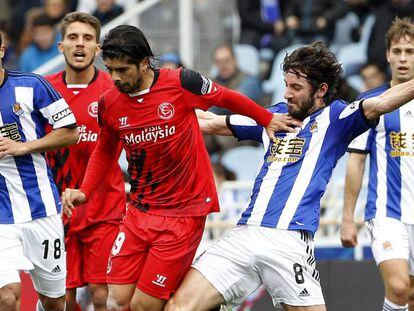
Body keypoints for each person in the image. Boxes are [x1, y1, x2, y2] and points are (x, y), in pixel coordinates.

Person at [60, 25, 298, 311]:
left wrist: (266, 119)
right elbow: (106, 150)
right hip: (138, 211)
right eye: (110, 69)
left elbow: (226, 97)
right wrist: (85, 191)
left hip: (183, 214)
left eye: (122, 70)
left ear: (144, 63)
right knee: (115, 303)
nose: (114, 78)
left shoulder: (182, 82)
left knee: (143, 307)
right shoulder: (109, 102)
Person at [164, 40, 414, 311]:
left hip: (289, 241)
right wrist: (156, 107)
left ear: (321, 91)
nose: (286, 94)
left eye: (296, 88)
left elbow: (383, 102)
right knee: (179, 307)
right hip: (245, 234)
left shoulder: (338, 118)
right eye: (285, 85)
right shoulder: (271, 117)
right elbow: (209, 122)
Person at [45, 12, 126, 311]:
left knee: (102, 293)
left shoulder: (114, 90)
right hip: (57, 210)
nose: (80, 44)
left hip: (104, 207)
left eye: (88, 39)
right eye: (73, 38)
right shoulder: (44, 92)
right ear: (61, 46)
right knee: (61, 298)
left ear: (98, 49)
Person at [0, 34, 79, 311]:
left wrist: (23, 147)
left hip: (41, 208)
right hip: (1, 216)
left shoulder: (32, 85)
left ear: (1, 50)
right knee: (6, 297)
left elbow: (71, 132)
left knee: (55, 302)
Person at [341, 17, 414, 311]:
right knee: (398, 288)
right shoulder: (371, 101)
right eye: (397, 52)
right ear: (387, 55)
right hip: (387, 212)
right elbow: (356, 161)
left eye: (410, 51)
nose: (403, 59)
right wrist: (347, 217)